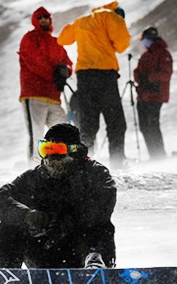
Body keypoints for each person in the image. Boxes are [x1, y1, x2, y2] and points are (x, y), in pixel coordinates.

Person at [0, 124, 117, 269]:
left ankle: (97, 264)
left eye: (57, 151)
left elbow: (104, 202)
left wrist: (72, 220)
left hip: (79, 251)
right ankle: (0, 268)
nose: (50, 158)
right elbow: (2, 199)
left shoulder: (94, 173)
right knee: (11, 223)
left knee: (102, 225)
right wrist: (28, 216)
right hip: (44, 251)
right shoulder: (34, 177)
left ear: (74, 152)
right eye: (46, 150)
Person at [57, 2, 131, 169]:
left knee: (88, 125)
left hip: (84, 78)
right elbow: (122, 44)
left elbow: (63, 39)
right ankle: (118, 163)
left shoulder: (82, 20)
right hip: (105, 76)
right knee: (116, 123)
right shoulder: (111, 16)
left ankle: (81, 165)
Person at [19, 7, 73, 165]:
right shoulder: (29, 38)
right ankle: (33, 166)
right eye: (40, 17)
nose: (43, 20)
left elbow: (67, 63)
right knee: (36, 133)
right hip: (34, 93)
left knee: (62, 130)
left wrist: (65, 71)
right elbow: (34, 61)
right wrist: (54, 75)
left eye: (46, 17)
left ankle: (64, 163)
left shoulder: (56, 43)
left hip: (54, 97)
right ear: (35, 20)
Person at [133, 27, 173, 160]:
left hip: (155, 96)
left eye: (143, 39)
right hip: (143, 95)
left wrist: (149, 78)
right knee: (144, 126)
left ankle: (159, 155)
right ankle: (154, 155)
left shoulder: (163, 53)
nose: (143, 42)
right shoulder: (146, 55)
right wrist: (141, 78)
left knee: (152, 125)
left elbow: (166, 74)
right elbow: (137, 71)